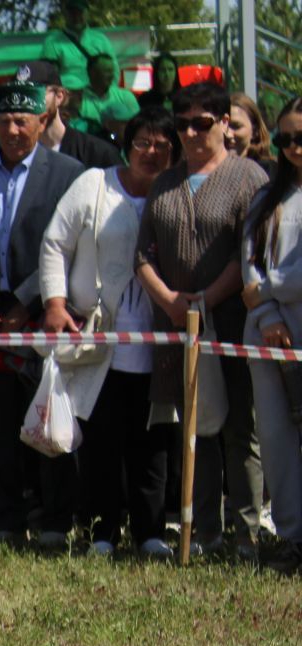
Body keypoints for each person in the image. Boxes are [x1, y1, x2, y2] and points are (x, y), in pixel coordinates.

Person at [0, 72, 85, 548]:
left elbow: (65, 247)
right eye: (4, 120)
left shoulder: (67, 175)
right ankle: (7, 522)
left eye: (22, 121)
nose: (12, 130)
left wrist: (29, 302)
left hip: (42, 312)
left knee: (47, 420)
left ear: (43, 120)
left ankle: (56, 522)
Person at [136, 80, 268, 559]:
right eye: (183, 123)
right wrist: (172, 300)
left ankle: (247, 532)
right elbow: (142, 253)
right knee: (197, 429)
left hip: (232, 324)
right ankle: (205, 530)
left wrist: (207, 299)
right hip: (179, 326)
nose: (191, 133)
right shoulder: (166, 182)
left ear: (222, 124)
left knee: (240, 429)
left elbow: (247, 251)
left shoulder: (249, 177)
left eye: (202, 123)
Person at [41, 108, 180, 558]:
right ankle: (102, 532)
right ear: (128, 143)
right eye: (143, 142)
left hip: (159, 343)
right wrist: (56, 303)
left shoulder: (176, 193)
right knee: (102, 442)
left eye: (162, 145)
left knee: (152, 442)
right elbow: (55, 243)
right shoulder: (94, 184)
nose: (151, 152)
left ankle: (150, 532)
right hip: (99, 340)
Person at [243, 95, 302, 577]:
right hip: (267, 335)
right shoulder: (266, 197)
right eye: (285, 139)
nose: (294, 147)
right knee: (277, 440)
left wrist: (267, 286)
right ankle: (291, 538)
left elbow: (263, 278)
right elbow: (249, 267)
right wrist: (266, 313)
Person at [31, 61, 121, 170]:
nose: (29, 102)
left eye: (36, 93)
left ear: (60, 96)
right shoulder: (12, 153)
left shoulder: (100, 152)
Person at [40, 0, 115, 97]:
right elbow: (49, 77)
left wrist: (106, 95)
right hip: (68, 97)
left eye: (80, 12)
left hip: (99, 96)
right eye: (72, 13)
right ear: (65, 14)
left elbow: (114, 72)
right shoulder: (52, 42)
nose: (76, 17)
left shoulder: (101, 40)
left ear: (87, 13)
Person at [76, 53, 140, 140]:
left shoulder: (125, 96)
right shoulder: (79, 100)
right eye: (107, 71)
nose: (112, 76)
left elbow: (138, 126)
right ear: (92, 73)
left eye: (112, 71)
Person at [228, 93, 274, 172]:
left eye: (236, 126)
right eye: (223, 126)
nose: (228, 134)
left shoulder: (270, 173)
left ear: (255, 131)